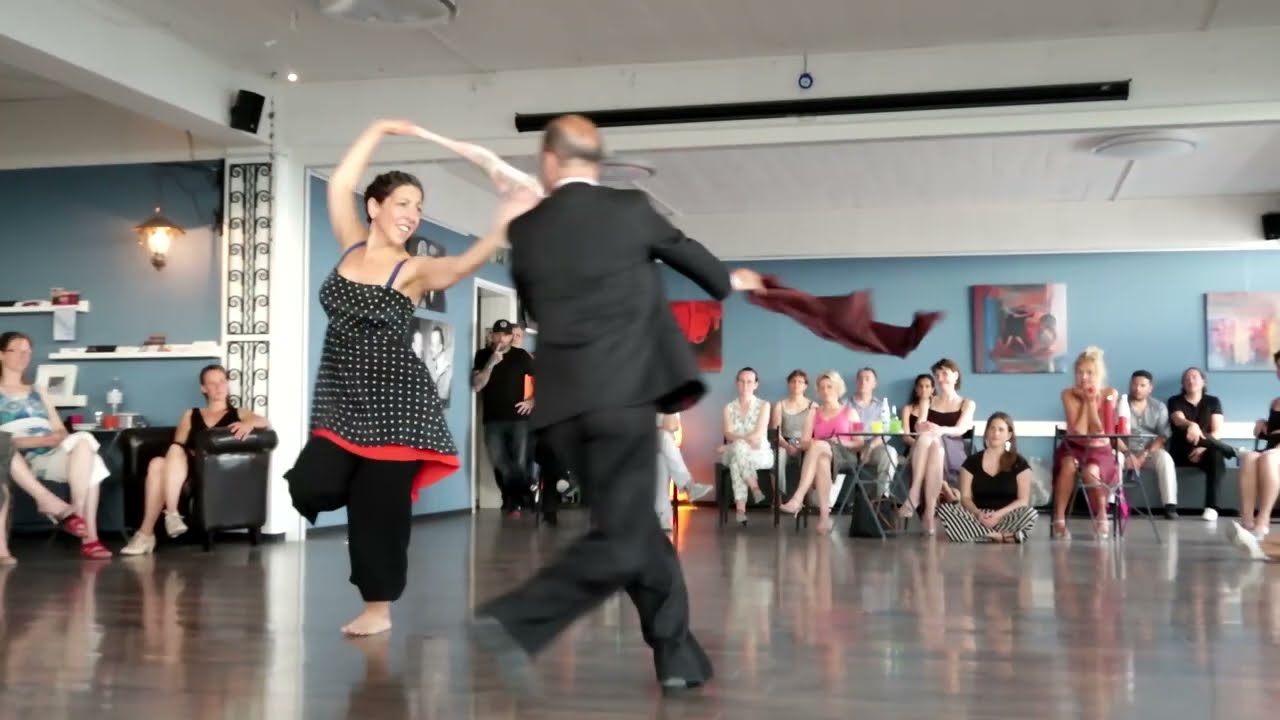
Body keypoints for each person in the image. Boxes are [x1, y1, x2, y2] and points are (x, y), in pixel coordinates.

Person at [468, 114, 763, 695]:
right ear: (595, 160)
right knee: (627, 535)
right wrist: (731, 282)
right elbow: (697, 263)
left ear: (549, 161)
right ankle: (519, 618)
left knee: (633, 530)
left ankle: (676, 654)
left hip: (562, 413)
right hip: (624, 400)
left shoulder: (527, 231)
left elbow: (532, 305)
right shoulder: (632, 210)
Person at [284, 118, 537, 637]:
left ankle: (378, 608)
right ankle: (366, 494)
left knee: (380, 514)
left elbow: (464, 265)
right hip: (343, 397)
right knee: (311, 484)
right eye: (403, 202)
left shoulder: (413, 270)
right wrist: (377, 129)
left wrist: (502, 222)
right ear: (374, 207)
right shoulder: (352, 245)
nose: (412, 215)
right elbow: (338, 184)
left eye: (419, 208)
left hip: (399, 404)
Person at [120, 364, 271, 556]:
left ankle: (149, 532)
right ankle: (168, 518)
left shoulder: (239, 413)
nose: (218, 387)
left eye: (222, 381)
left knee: (157, 464)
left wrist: (249, 424)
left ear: (228, 384)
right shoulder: (191, 414)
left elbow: (265, 422)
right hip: (184, 466)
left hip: (213, 472)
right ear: (203, 388)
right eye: (212, 383)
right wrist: (184, 453)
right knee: (161, 461)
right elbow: (179, 444)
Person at [936, 412, 1037, 543]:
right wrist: (978, 514)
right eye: (992, 428)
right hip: (977, 516)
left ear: (1009, 435)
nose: (996, 433)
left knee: (1030, 513)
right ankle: (1000, 536)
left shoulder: (1019, 463)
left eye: (1001, 430)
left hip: (1006, 515)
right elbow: (965, 498)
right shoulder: (971, 462)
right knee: (946, 509)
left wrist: (998, 515)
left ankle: (977, 534)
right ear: (986, 432)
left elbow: (1023, 500)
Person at [472, 319, 535, 516]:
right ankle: (527, 490)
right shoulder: (482, 355)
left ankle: (513, 501)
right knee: (499, 461)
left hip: (519, 419)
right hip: (492, 419)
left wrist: (532, 400)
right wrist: (491, 362)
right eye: (497, 334)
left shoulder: (521, 356)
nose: (501, 338)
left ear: (510, 337)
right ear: (492, 335)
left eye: (506, 335)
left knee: (518, 461)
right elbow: (477, 385)